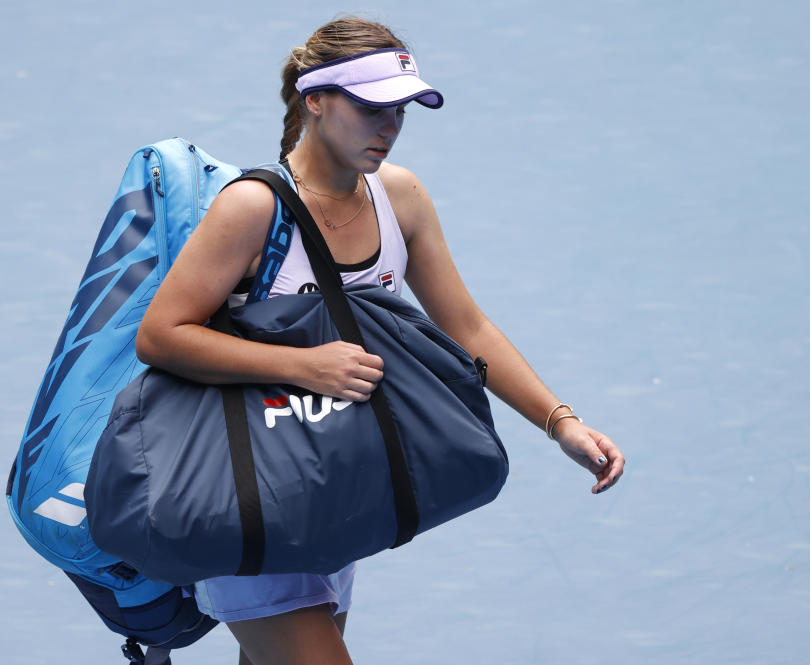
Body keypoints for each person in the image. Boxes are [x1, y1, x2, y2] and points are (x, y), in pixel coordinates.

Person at [135, 15, 625, 665]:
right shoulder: (253, 208)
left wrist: (559, 422)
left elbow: (467, 326)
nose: (388, 127)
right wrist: (303, 365)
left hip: (334, 497)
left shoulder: (401, 197)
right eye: (370, 109)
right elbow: (160, 336)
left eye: (400, 110)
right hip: (251, 502)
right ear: (315, 100)